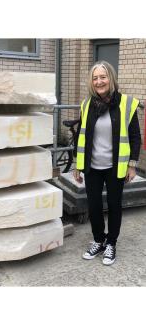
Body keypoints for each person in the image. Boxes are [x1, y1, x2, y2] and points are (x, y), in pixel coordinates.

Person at [73, 60, 141, 266]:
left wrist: (132, 164)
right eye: (95, 78)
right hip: (92, 166)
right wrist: (77, 162)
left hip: (115, 167)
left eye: (103, 77)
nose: (99, 81)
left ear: (110, 78)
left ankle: (111, 243)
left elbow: (135, 136)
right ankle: (98, 240)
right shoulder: (87, 104)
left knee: (113, 205)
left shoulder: (126, 103)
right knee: (93, 206)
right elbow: (81, 136)